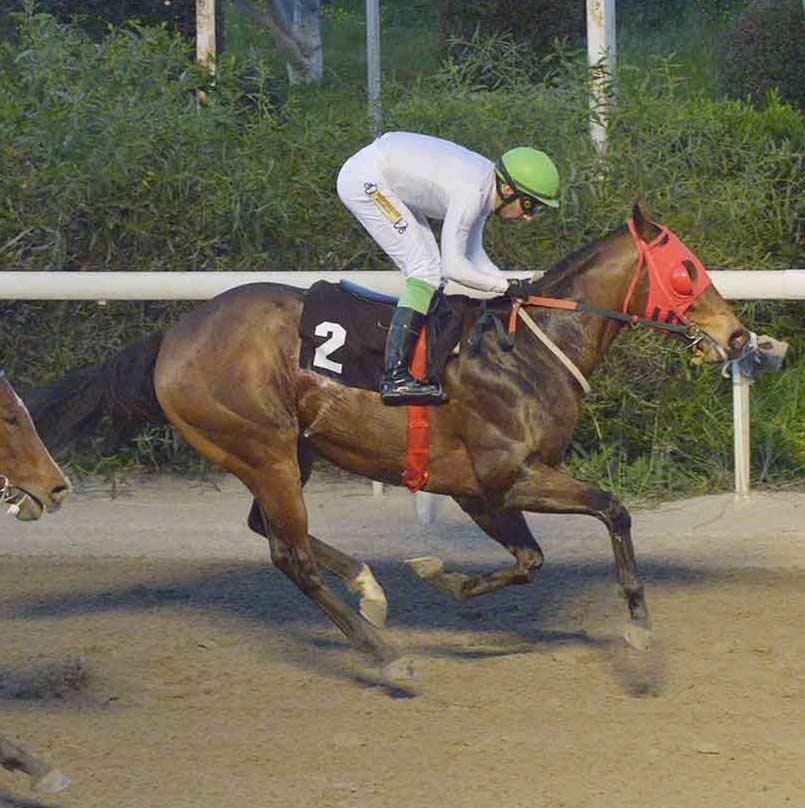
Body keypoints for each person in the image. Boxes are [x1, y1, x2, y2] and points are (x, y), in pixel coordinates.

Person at [336, 131, 560, 406]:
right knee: (425, 271)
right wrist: (504, 286)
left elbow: (474, 256)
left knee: (431, 270)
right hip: (366, 181)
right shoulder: (472, 192)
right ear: (507, 190)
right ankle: (394, 377)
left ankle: (419, 361)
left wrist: (512, 286)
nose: (529, 217)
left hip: (382, 174)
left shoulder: (485, 187)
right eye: (530, 205)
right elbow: (454, 266)